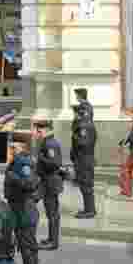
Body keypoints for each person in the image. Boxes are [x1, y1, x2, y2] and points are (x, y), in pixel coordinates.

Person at [3, 139, 41, 264]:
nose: (11, 149)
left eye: (15, 146)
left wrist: (13, 177)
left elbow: (30, 183)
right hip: (19, 211)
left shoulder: (23, 161)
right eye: (11, 146)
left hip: (24, 213)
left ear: (23, 147)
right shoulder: (19, 160)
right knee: (27, 252)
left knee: (28, 253)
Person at [33, 117, 65, 250]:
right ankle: (51, 239)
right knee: (50, 212)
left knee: (52, 214)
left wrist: (40, 158)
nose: (37, 133)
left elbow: (55, 163)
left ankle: (53, 242)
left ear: (46, 130)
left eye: (39, 131)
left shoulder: (50, 144)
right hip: (46, 182)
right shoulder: (47, 142)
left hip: (50, 183)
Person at [70, 87, 97, 219]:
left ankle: (89, 211)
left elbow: (83, 143)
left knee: (86, 185)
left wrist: (74, 136)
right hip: (83, 159)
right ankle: (88, 209)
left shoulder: (85, 127)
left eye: (76, 114)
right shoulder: (85, 126)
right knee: (85, 185)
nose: (74, 116)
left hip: (84, 159)